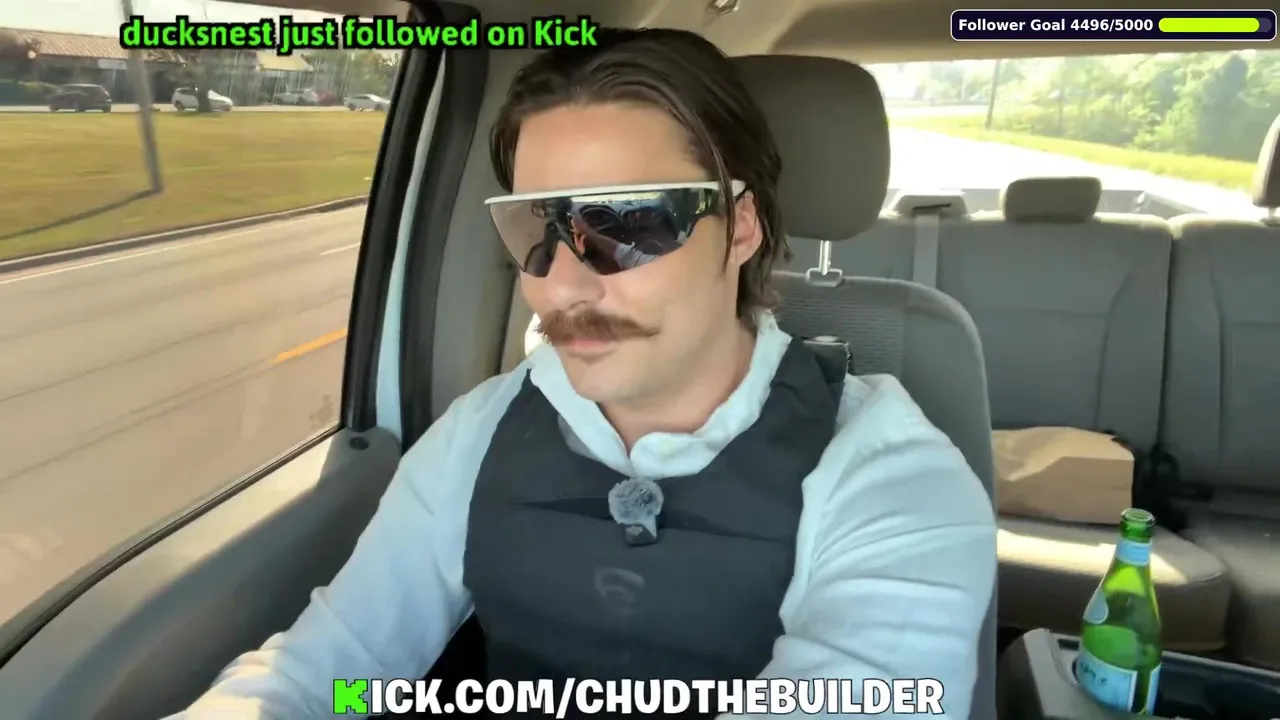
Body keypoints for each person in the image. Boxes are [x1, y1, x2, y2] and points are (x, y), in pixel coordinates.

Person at [173, 28, 996, 719]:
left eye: (629, 223)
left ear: (741, 227)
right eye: (537, 226)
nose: (561, 286)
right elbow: (335, 673)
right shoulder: (479, 432)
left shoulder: (892, 477)